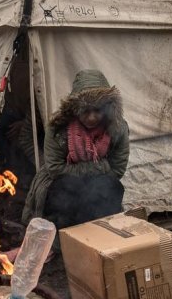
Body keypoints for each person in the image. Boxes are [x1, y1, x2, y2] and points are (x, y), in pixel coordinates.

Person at [22, 69, 130, 231]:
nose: (92, 117)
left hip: (99, 183)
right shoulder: (58, 127)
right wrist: (99, 167)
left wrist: (92, 182)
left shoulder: (117, 128)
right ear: (74, 109)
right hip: (59, 182)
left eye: (97, 110)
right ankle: (61, 242)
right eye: (86, 111)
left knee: (111, 187)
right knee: (66, 194)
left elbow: (117, 169)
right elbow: (55, 169)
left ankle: (99, 235)